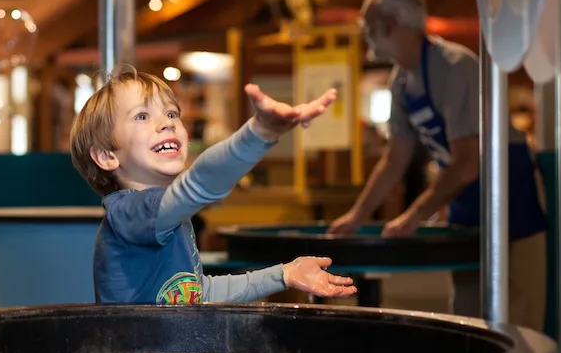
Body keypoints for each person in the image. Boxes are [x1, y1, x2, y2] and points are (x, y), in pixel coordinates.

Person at [328, 0, 548, 331]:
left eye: (367, 26)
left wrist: (413, 217)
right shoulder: (401, 81)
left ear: (389, 26)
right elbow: (395, 157)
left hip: (510, 193)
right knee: (470, 318)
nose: (365, 35)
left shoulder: (455, 67)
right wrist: (357, 215)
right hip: (466, 201)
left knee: (521, 322)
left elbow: (467, 163)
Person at [70, 66, 357, 305]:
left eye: (171, 114)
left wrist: (285, 274)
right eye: (142, 116)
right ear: (107, 155)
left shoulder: (172, 221)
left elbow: (197, 294)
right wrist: (260, 133)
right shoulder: (129, 213)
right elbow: (198, 183)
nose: (166, 123)